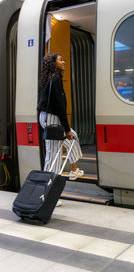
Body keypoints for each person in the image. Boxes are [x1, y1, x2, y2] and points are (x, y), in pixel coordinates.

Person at [37, 53, 84, 196]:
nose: (64, 62)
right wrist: (66, 128)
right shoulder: (55, 78)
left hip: (47, 117)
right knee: (53, 156)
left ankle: (74, 170)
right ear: (53, 63)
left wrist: (68, 130)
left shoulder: (48, 78)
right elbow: (59, 106)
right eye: (60, 60)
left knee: (73, 137)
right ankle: (47, 193)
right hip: (52, 118)